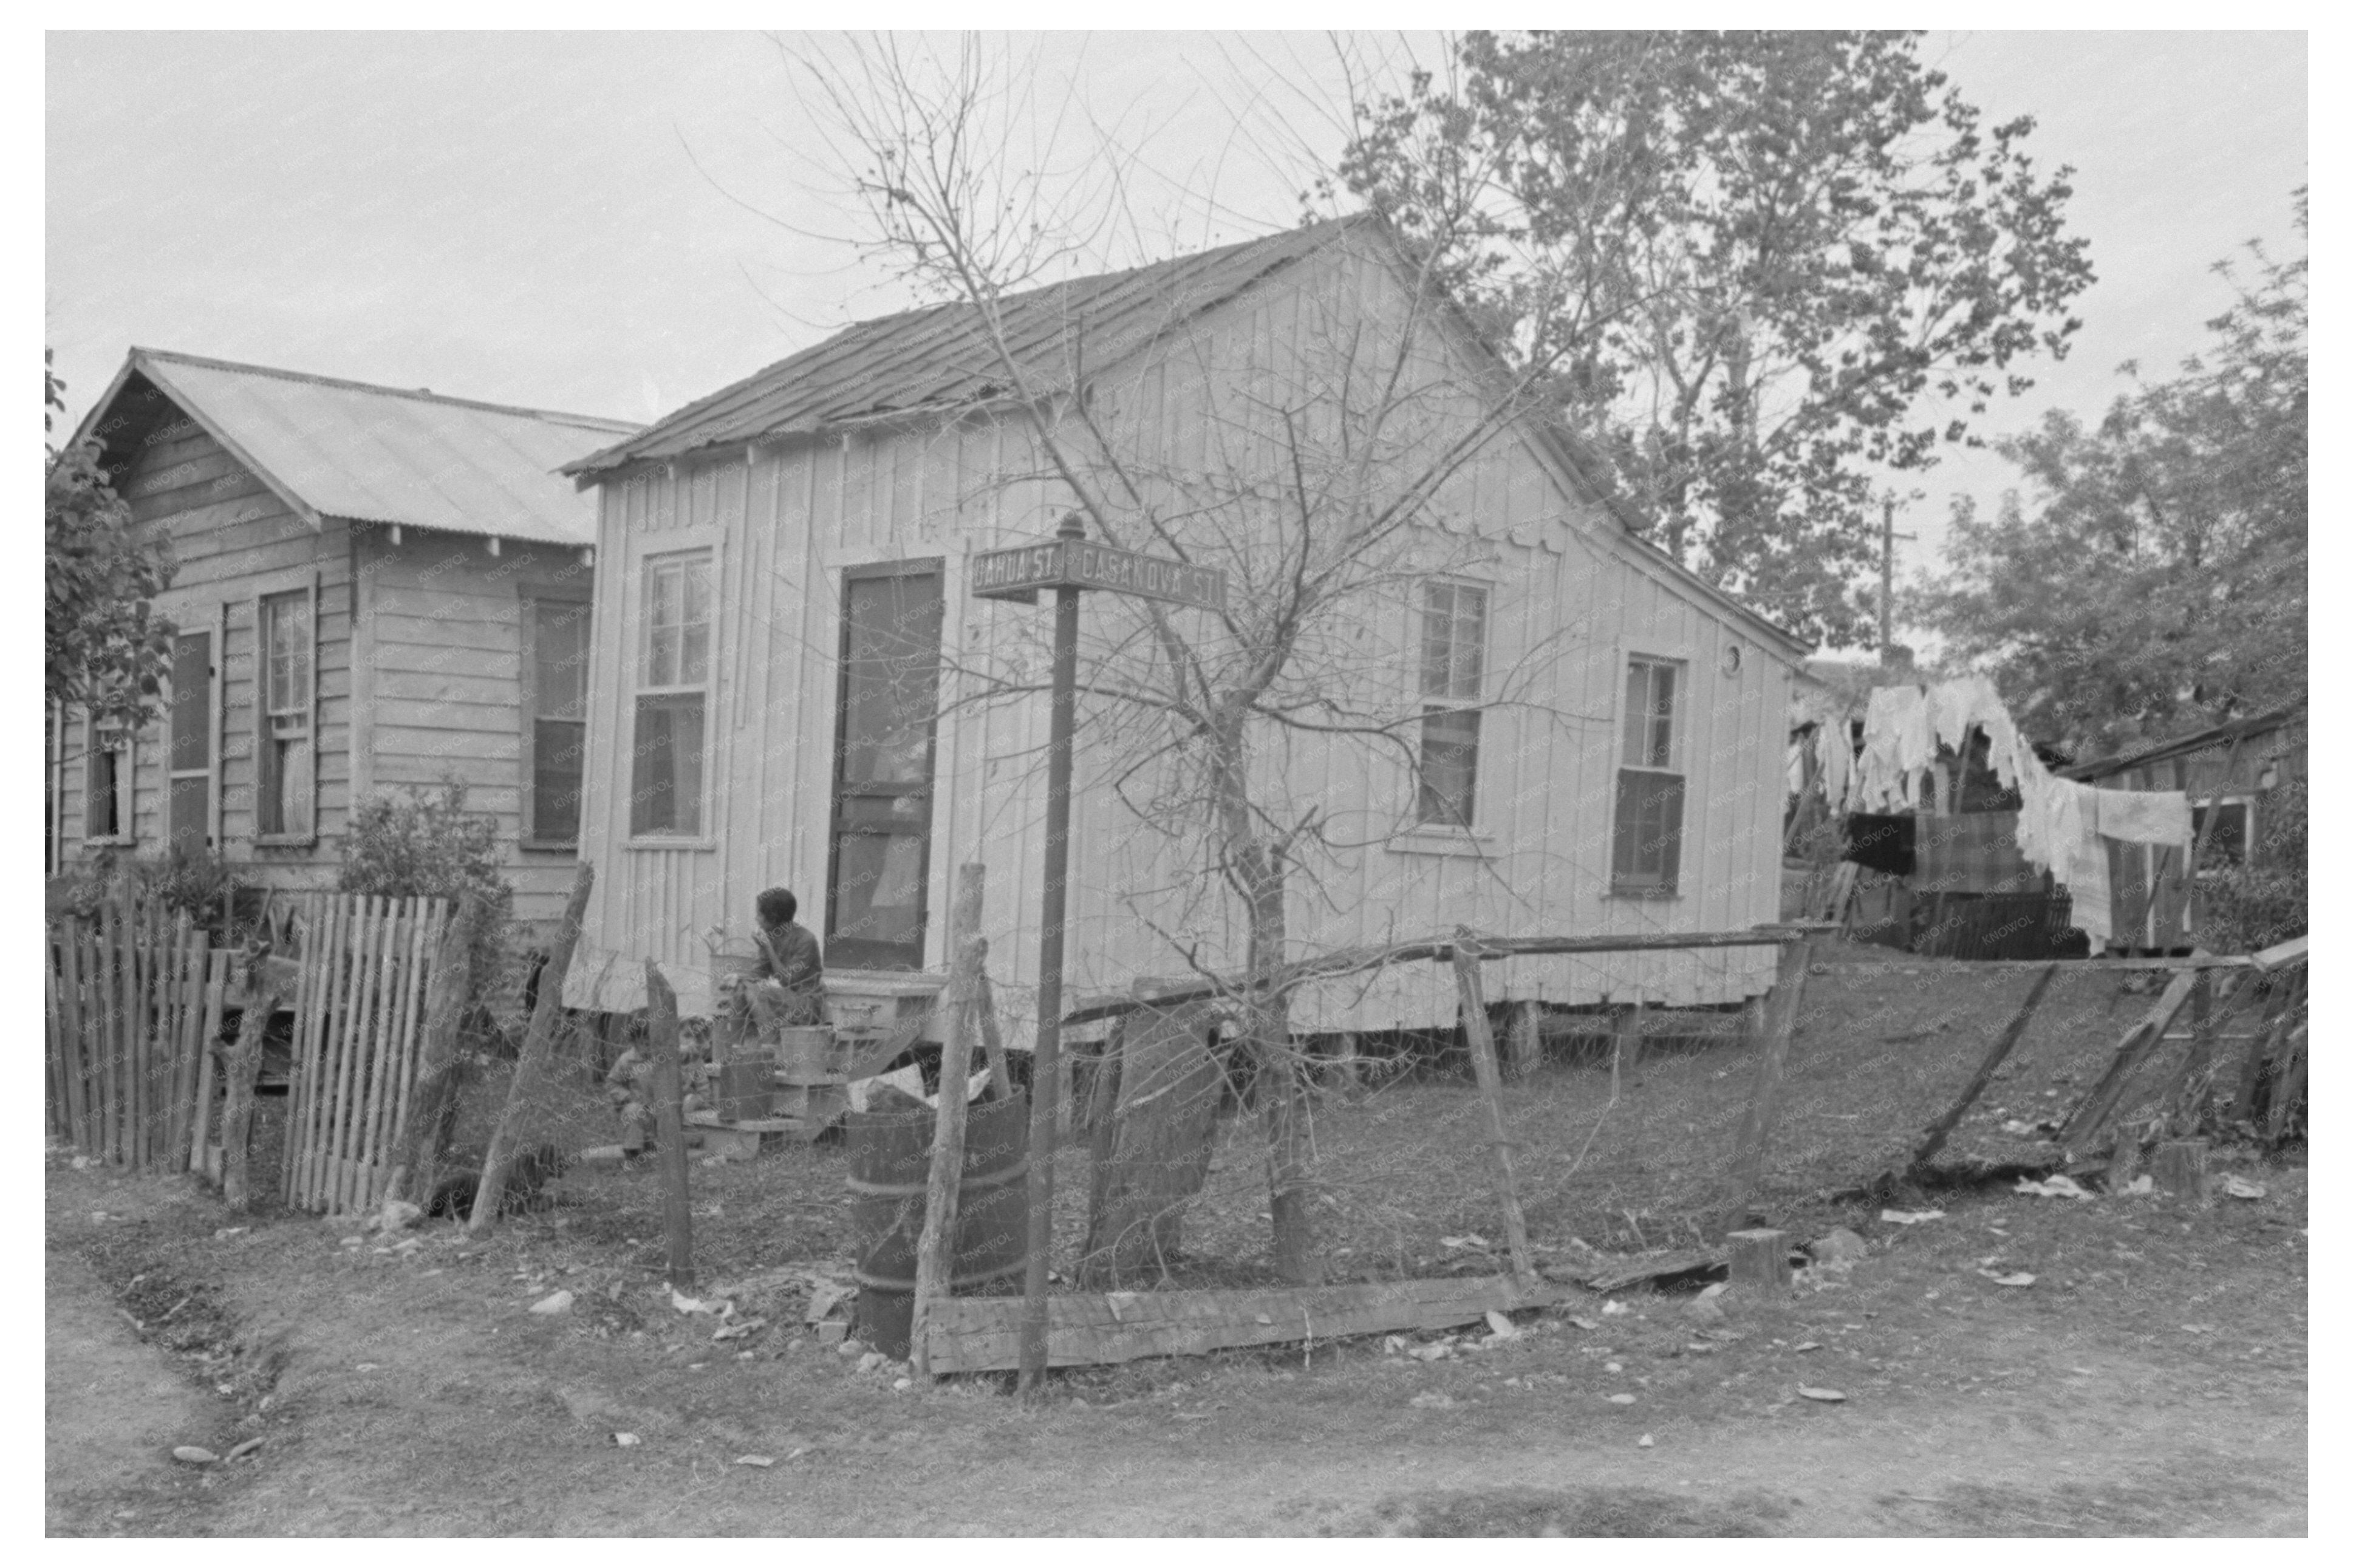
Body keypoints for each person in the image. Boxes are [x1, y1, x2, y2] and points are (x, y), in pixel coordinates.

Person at [745, 886, 827, 1035]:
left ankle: (771, 1043)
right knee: (740, 990)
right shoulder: (771, 936)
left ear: (773, 917)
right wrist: (738, 980)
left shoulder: (806, 940)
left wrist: (768, 948)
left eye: (759, 914)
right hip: (782, 1000)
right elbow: (758, 974)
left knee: (756, 993)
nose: (756, 919)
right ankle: (731, 1048)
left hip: (805, 1005)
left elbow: (788, 980)